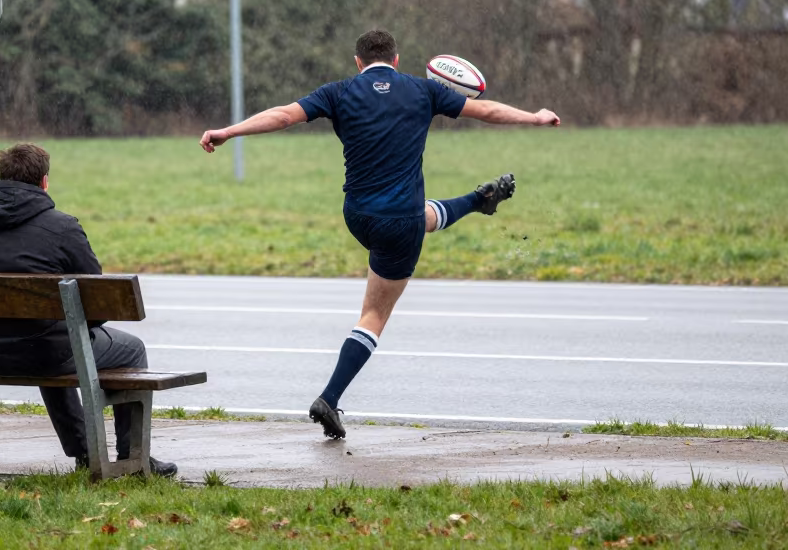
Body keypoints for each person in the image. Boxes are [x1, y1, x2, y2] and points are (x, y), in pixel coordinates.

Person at [198, 30, 561, 439]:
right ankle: (329, 398)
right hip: (399, 221)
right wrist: (534, 116)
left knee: (416, 217)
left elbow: (282, 115)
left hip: (358, 215)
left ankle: (479, 200)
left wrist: (228, 131)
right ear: (397, 60)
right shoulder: (423, 91)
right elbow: (488, 111)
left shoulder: (339, 91)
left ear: (358, 62)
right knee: (374, 314)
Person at [0, 142, 177, 476]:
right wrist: (85, 325)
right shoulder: (62, 227)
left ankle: (85, 454)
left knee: (48, 342)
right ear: (44, 181)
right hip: (49, 350)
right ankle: (131, 457)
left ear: (2, 179)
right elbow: (98, 299)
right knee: (128, 350)